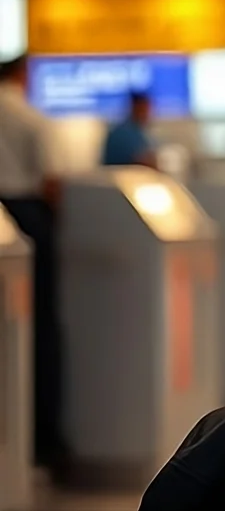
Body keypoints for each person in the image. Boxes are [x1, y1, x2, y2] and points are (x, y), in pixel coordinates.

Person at [0, 55, 67, 474]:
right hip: (25, 216)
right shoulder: (31, 117)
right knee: (38, 327)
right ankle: (42, 444)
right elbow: (51, 180)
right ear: (22, 74)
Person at [100, 91, 154, 167]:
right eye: (145, 109)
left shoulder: (135, 131)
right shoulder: (126, 134)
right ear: (136, 107)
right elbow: (143, 161)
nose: (148, 114)